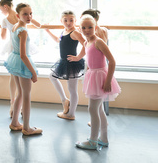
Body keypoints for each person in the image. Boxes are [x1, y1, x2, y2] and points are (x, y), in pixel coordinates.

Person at [68, 15, 121, 149]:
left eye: (90, 27)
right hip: (92, 75)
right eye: (84, 28)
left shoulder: (99, 42)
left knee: (92, 109)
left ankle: (92, 141)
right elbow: (87, 57)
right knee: (100, 110)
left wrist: (108, 80)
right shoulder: (87, 42)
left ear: (95, 27)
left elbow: (113, 62)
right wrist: (78, 59)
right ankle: (103, 138)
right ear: (80, 29)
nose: (87, 30)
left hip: (101, 77)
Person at [0, 0, 42, 118]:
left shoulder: (10, 22)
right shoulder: (23, 25)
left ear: (5, 7)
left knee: (15, 82)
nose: (29, 16)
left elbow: (3, 37)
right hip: (21, 52)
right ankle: (22, 116)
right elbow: (39, 25)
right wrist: (33, 72)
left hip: (14, 52)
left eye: (31, 14)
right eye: (26, 14)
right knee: (24, 89)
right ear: (19, 15)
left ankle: (13, 107)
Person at [44, 10, 86, 120]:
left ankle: (71, 114)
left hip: (72, 63)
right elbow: (59, 40)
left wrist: (78, 57)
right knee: (52, 76)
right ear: (61, 21)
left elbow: (86, 45)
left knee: (72, 89)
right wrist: (48, 32)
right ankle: (64, 100)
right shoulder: (64, 31)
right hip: (64, 61)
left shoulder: (75, 32)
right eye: (65, 20)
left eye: (71, 20)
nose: (68, 22)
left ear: (75, 21)